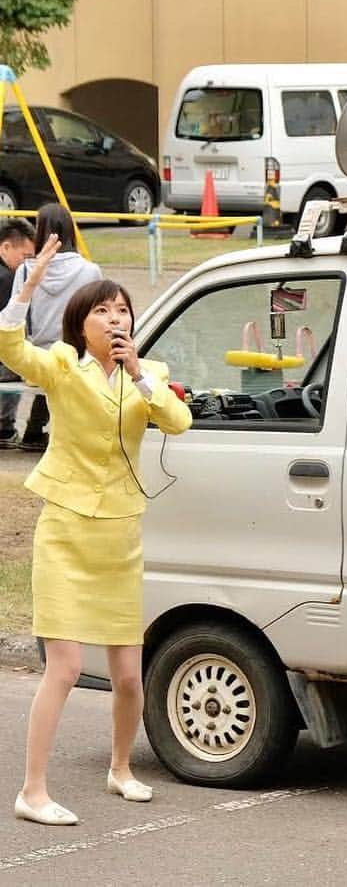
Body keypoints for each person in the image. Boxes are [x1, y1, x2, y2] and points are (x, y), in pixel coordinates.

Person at [0, 235, 192, 826]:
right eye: (103, 311)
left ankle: (120, 769)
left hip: (120, 536)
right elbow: (12, 349)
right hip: (65, 529)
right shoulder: (61, 367)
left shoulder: (149, 372)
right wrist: (23, 293)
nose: (115, 319)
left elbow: (178, 422)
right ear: (79, 324)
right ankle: (32, 791)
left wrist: (138, 375)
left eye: (122, 310)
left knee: (130, 673)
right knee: (62, 664)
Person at [10, 203, 102, 451]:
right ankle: (44, 431)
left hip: (34, 361)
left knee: (46, 363)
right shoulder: (90, 271)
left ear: (40, 232)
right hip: (76, 357)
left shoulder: (27, 270)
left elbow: (16, 316)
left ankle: (33, 429)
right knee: (69, 365)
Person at [0, 218, 35, 447]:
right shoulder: (7, 279)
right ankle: (5, 426)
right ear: (6, 247)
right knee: (17, 361)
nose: (27, 265)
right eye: (25, 257)